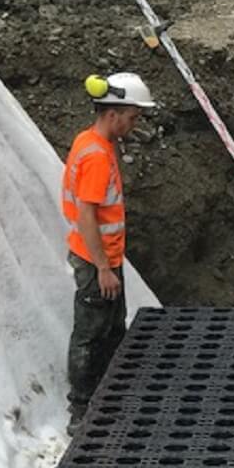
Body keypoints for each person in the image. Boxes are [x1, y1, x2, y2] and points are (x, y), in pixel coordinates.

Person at [63, 71, 155, 430]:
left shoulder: (90, 142)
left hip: (106, 259)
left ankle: (108, 394)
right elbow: (87, 214)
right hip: (95, 261)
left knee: (113, 328)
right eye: (132, 117)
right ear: (113, 113)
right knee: (91, 332)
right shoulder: (97, 156)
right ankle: (81, 410)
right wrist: (102, 267)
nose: (134, 125)